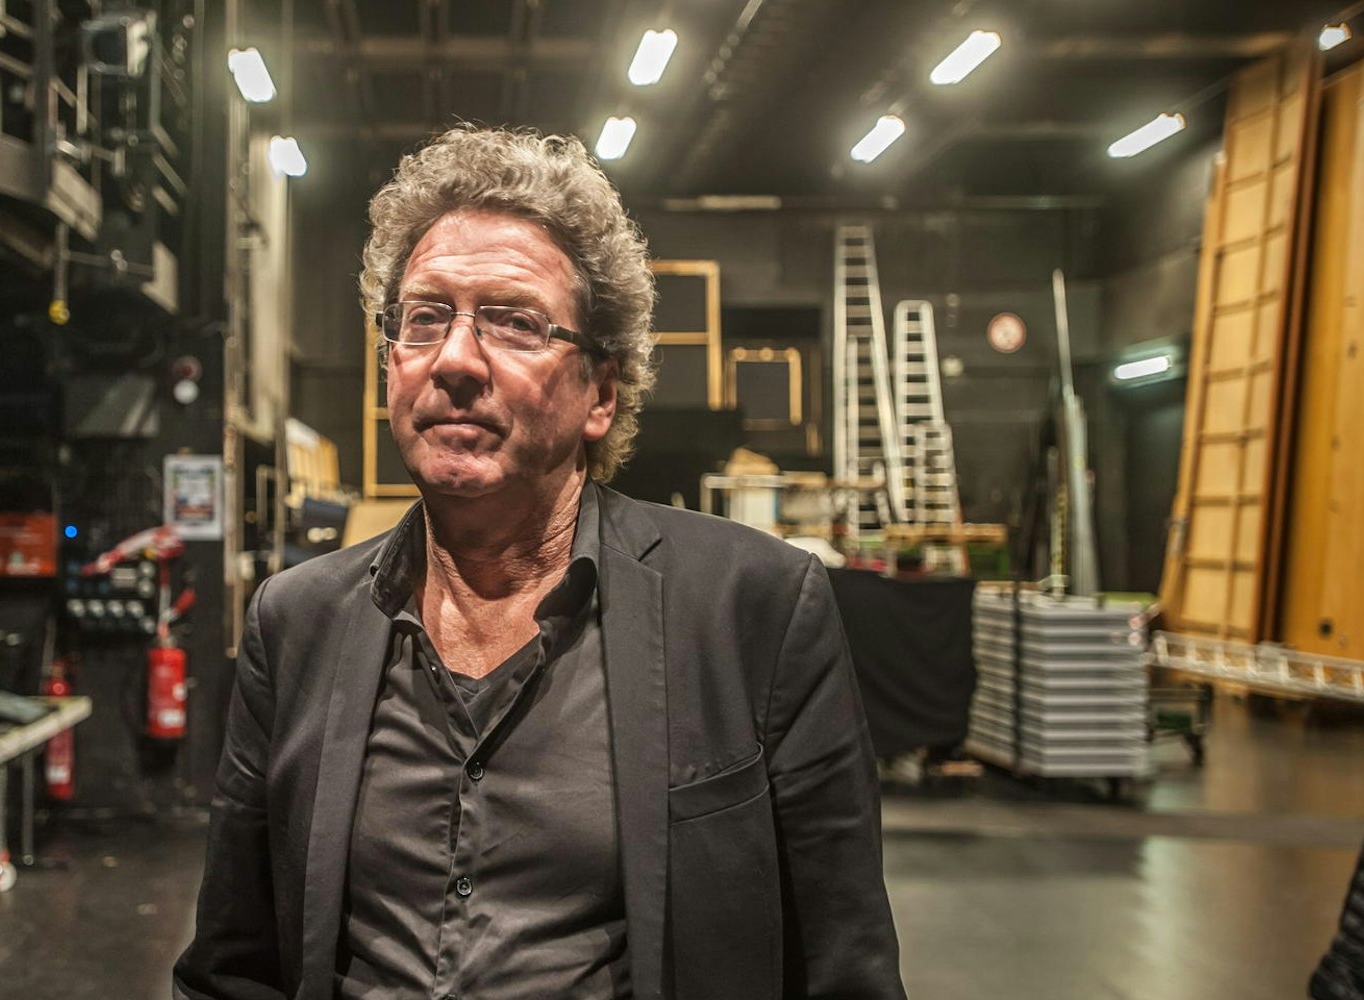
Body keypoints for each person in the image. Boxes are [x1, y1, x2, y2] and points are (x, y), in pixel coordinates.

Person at [174, 126, 904, 1000]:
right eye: (424, 317)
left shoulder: (756, 610)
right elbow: (233, 969)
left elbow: (846, 970)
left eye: (515, 323)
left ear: (601, 392)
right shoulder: (295, 623)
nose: (454, 359)